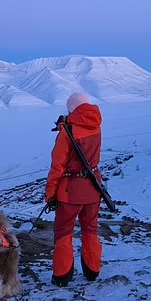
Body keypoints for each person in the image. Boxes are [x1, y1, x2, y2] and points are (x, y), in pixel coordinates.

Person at [45, 92, 103, 287]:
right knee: (91, 229)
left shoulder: (67, 133)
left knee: (63, 232)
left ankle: (62, 276)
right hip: (94, 188)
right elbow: (84, 139)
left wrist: (50, 194)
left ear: (70, 109)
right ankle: (92, 271)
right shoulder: (96, 125)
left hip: (71, 191)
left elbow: (57, 167)